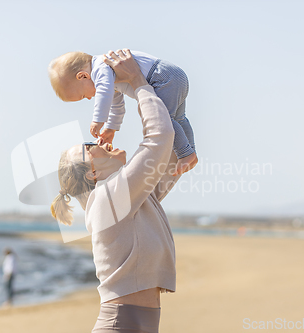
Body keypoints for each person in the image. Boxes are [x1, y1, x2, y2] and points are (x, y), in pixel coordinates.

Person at [50, 49, 181, 333]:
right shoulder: (108, 199)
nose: (98, 141)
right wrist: (137, 81)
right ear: (92, 173)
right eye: (89, 146)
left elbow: (169, 158)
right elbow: (159, 138)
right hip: (121, 324)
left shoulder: (124, 196)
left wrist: (173, 93)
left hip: (136, 323)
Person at [48, 49, 198, 176]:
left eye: (82, 95)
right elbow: (117, 104)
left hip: (162, 78)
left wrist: (98, 120)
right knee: (179, 119)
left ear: (83, 76)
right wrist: (111, 128)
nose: (88, 98)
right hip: (173, 76)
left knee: (165, 120)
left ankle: (185, 154)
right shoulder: (109, 74)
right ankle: (191, 152)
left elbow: (104, 92)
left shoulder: (101, 67)